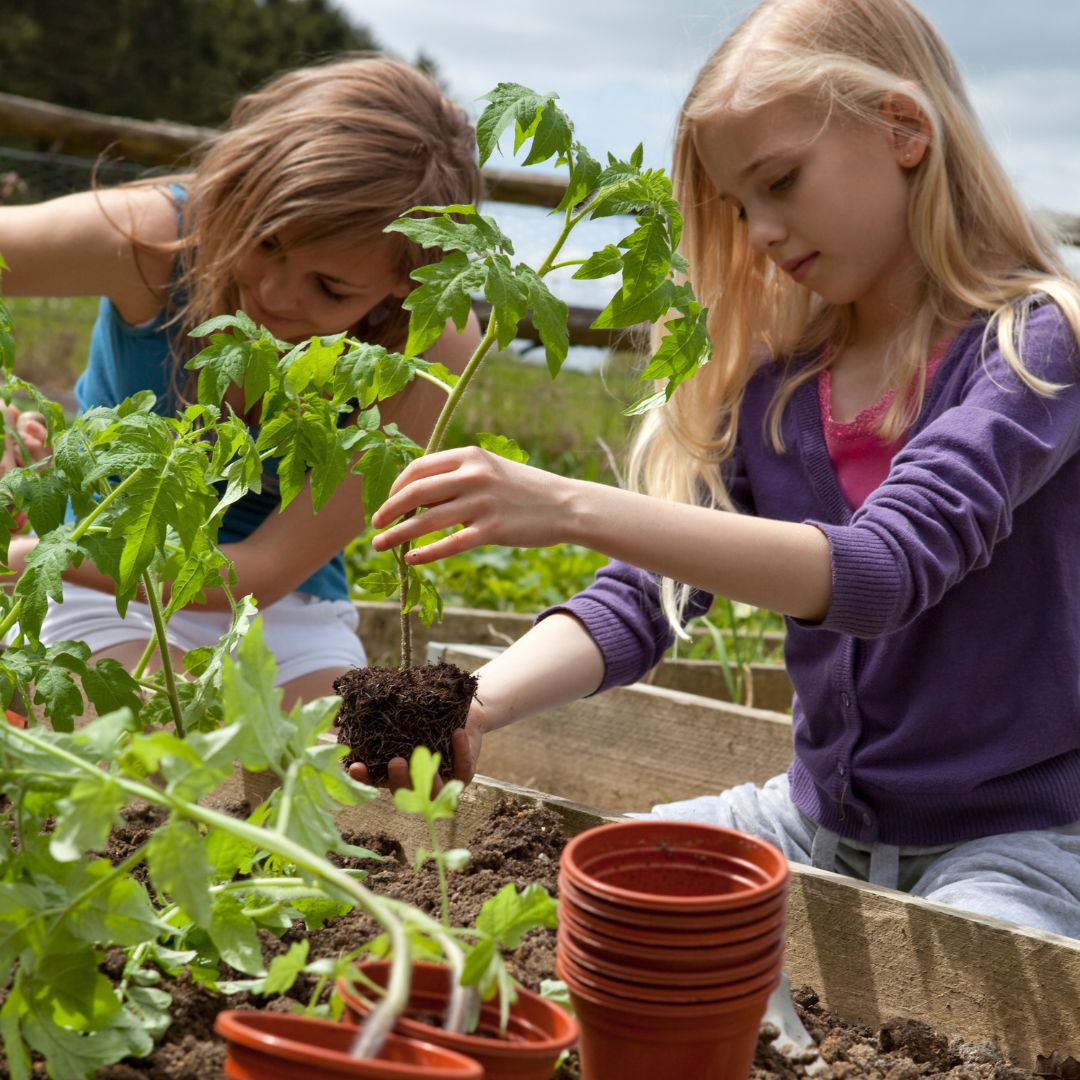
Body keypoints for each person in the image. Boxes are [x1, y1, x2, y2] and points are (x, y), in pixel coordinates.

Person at [350, 0, 1080, 939]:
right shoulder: (779, 385)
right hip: (814, 823)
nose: (762, 231)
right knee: (595, 903)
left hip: (1017, 843)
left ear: (904, 129)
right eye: (740, 206)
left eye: (781, 181)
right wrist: (479, 706)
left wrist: (568, 505)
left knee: (977, 985)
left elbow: (884, 573)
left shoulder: (1032, 350)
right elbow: (643, 599)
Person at [0, 55, 481, 707]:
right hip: (92, 579)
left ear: (405, 282)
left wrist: (20, 554)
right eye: (266, 242)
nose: (275, 294)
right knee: (164, 731)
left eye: (330, 287)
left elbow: (269, 567)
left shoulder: (432, 339)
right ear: (239, 191)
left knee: (343, 758)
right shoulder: (156, 239)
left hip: (282, 605)